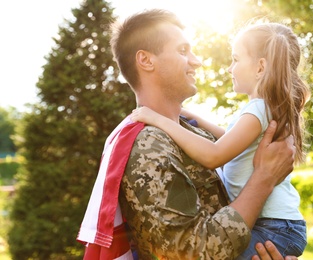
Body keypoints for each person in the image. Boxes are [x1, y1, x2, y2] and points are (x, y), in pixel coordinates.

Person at [78, 9, 298, 260]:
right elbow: (192, 252)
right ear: (146, 61)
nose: (197, 61)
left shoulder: (193, 132)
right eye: (183, 51)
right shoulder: (149, 144)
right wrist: (264, 179)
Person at [130, 21, 311, 258]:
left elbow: (214, 155)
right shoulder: (262, 109)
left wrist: (157, 118)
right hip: (277, 224)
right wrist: (193, 116)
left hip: (274, 227)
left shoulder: (258, 110)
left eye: (235, 59)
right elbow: (229, 139)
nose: (229, 68)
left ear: (260, 68)